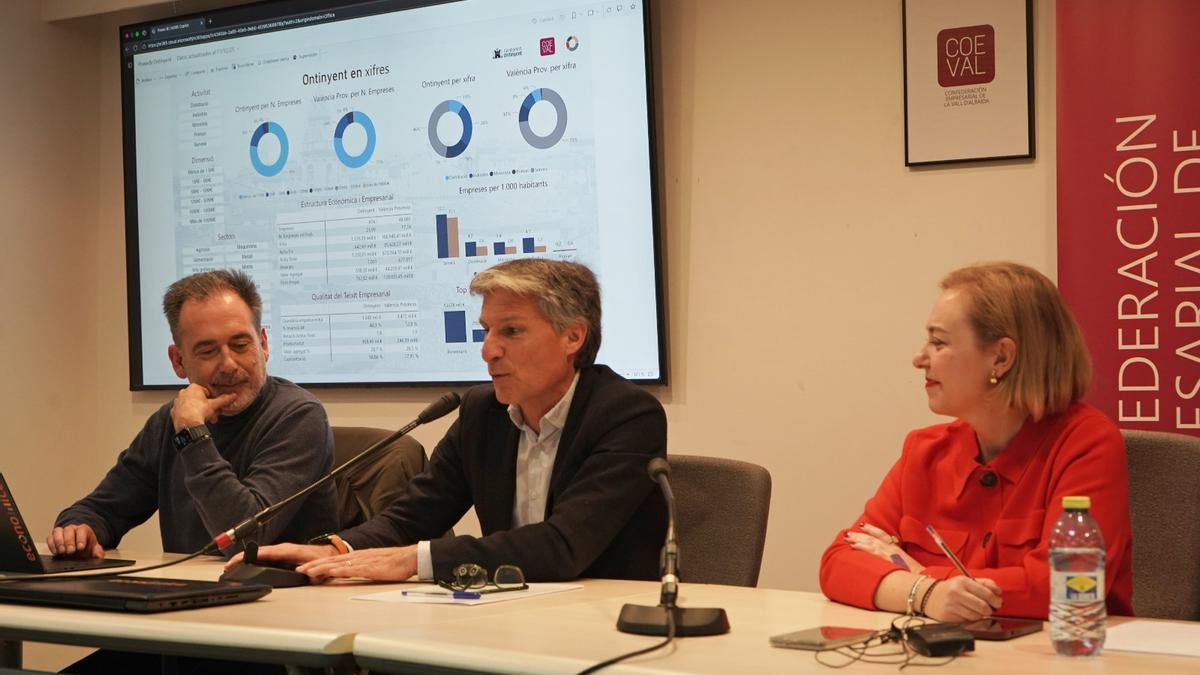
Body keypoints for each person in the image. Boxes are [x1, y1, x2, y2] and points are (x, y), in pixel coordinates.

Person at [241, 258, 667, 583]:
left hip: (607, 620)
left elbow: (564, 545)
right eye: (486, 331)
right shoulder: (484, 413)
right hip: (511, 612)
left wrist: (414, 559)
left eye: (511, 332)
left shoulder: (627, 416)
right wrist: (339, 549)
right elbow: (412, 516)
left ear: (573, 336)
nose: (489, 351)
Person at [819, 262, 1133, 621]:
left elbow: (1068, 587)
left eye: (938, 342)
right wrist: (927, 594)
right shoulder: (924, 450)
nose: (919, 358)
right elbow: (839, 561)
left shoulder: (1086, 443)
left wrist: (922, 577)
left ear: (1000, 357)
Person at [48, 269, 336, 558]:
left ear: (263, 344)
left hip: (282, 595)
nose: (228, 364)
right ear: (178, 361)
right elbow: (102, 509)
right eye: (208, 351)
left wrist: (192, 435)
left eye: (240, 345)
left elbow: (242, 538)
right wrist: (78, 529)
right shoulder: (169, 421)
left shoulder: (299, 416)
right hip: (190, 592)